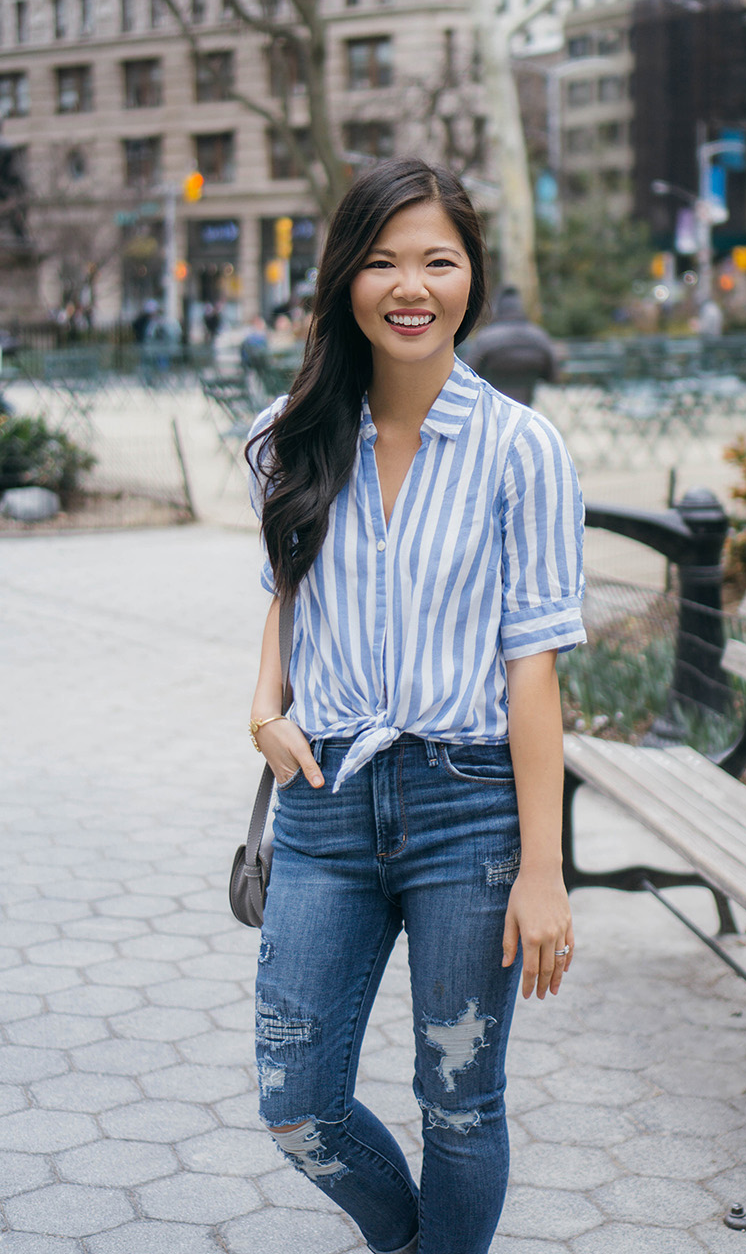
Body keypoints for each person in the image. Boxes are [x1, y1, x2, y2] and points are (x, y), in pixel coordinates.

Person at [245, 157, 585, 1254]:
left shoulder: (519, 448)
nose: (411, 285)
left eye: (438, 260)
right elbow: (283, 593)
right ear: (346, 276)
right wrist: (262, 706)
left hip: (467, 810)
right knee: (294, 1097)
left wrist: (545, 867)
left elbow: (533, 669)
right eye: (384, 259)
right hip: (325, 800)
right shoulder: (294, 430)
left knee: (458, 1100)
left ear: (471, 279)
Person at [462, 284, 557, 405]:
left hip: (491, 408)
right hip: (525, 408)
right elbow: (553, 375)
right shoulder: (539, 336)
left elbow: (469, 373)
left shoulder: (486, 337)